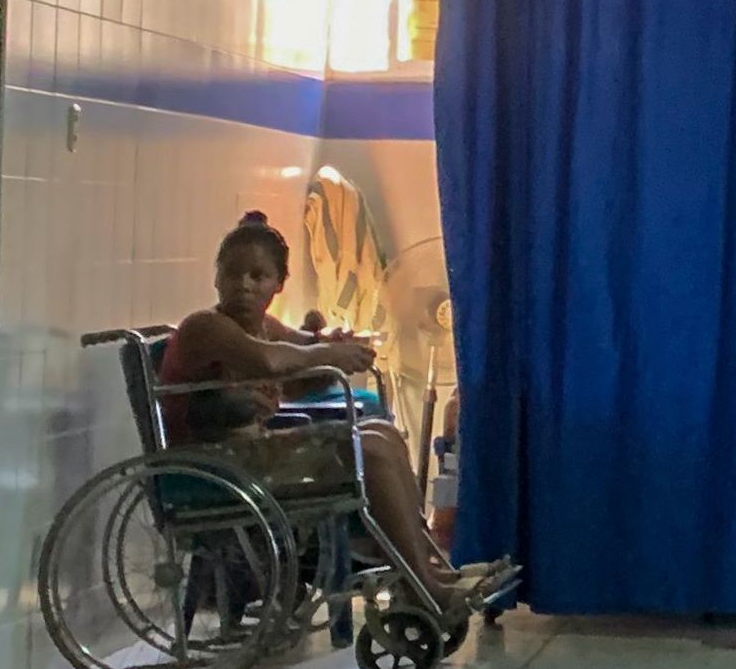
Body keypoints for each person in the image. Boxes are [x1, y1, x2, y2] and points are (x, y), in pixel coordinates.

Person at [163, 212, 494, 614]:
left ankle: (428, 568)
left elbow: (303, 355)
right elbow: (269, 361)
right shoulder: (206, 326)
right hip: (213, 465)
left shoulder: (264, 325)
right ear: (216, 277)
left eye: (258, 276)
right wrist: (324, 352)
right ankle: (423, 583)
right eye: (232, 274)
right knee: (368, 451)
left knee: (381, 435)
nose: (244, 285)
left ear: (277, 285)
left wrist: (332, 343)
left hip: (248, 456)